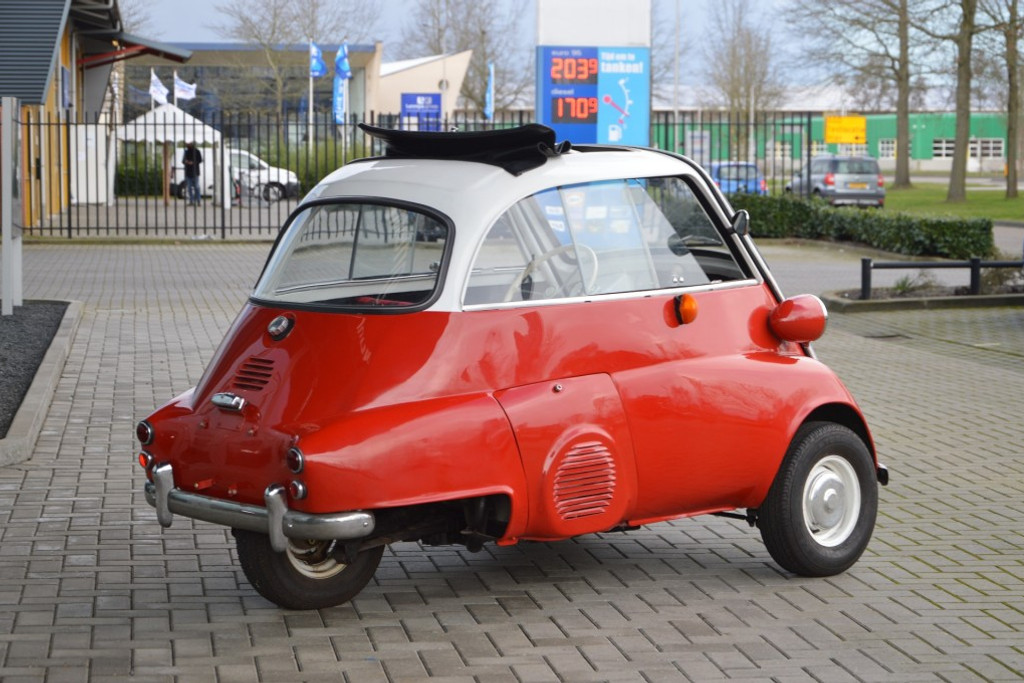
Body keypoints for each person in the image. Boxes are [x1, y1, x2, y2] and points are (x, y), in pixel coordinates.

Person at [182, 141, 203, 205]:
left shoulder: (197, 151)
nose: (187, 144)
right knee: (189, 187)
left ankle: (198, 200)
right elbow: (183, 161)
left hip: (195, 172)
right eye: (187, 144)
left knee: (197, 187)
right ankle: (191, 200)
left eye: (188, 143)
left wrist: (193, 162)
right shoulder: (186, 152)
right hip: (188, 172)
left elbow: (200, 160)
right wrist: (186, 162)